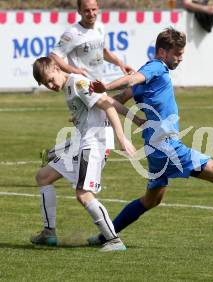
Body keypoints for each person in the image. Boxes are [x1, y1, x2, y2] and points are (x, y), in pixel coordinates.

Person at [87, 27, 213, 245]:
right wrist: (104, 85)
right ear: (163, 52)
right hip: (167, 147)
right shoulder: (156, 67)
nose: (180, 59)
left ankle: (104, 236)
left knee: (151, 200)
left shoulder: (149, 72)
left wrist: (93, 110)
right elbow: (132, 80)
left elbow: (120, 98)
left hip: (155, 148)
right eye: (178, 54)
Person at [31, 56, 139, 252]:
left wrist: (122, 137)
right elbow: (106, 102)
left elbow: (107, 104)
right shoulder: (69, 87)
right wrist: (137, 119)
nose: (50, 85)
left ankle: (114, 240)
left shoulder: (78, 83)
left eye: (50, 79)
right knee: (43, 176)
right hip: (83, 142)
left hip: (94, 144)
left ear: (56, 68)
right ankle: (49, 232)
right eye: (45, 83)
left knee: (83, 194)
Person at [41, 0, 135, 166]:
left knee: (97, 129)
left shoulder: (99, 27)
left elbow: (103, 51)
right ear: (78, 10)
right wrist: (73, 70)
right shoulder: (72, 33)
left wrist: (120, 63)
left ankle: (53, 155)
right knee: (102, 130)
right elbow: (54, 56)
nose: (91, 14)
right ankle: (80, 177)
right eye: (86, 11)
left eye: (93, 10)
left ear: (98, 8)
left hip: (98, 85)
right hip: (83, 87)